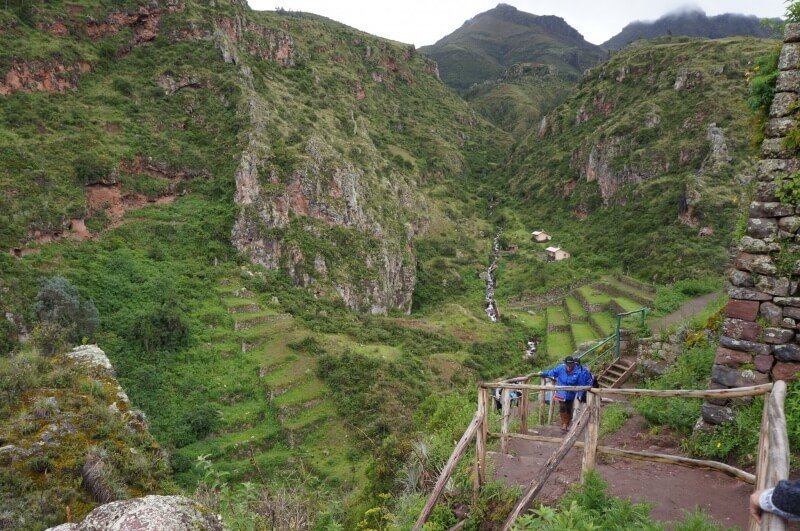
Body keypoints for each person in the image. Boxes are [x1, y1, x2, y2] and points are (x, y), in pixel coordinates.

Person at [538, 356, 593, 432]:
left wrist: (580, 395)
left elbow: (581, 384)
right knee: (562, 406)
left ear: (573, 364)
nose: (569, 367)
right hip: (561, 392)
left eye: (571, 366)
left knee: (568, 408)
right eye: (567, 366)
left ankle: (567, 423)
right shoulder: (561, 368)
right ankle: (564, 424)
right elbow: (552, 372)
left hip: (571, 393)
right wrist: (543, 373)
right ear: (565, 364)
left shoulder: (578, 371)